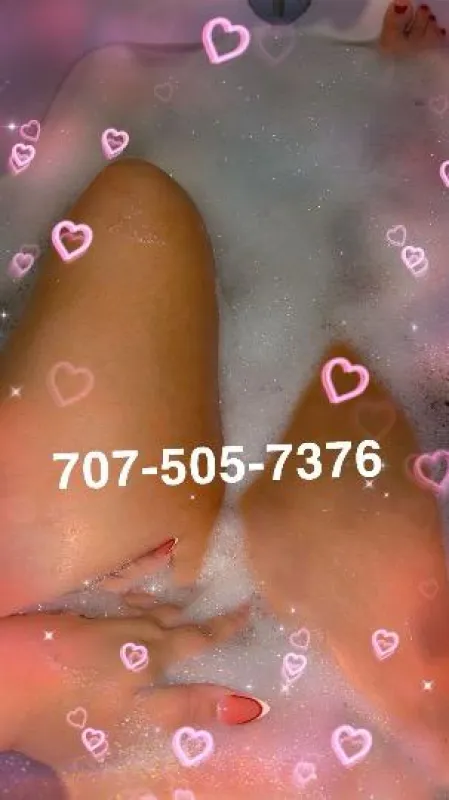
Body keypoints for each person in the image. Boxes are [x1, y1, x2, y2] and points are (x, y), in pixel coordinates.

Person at [0, 1, 447, 798]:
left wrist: (13, 692)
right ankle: (375, 216)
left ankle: (366, 228)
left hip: (74, 651)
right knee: (414, 640)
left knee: (134, 219)